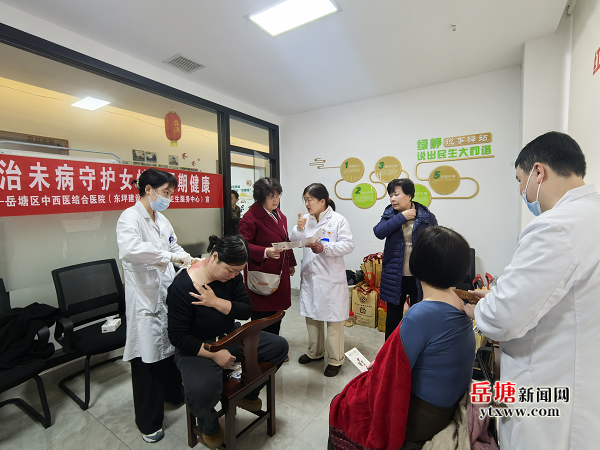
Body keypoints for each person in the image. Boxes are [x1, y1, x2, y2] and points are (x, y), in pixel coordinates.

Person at [463, 131, 600, 450]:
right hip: (581, 377)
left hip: (549, 385)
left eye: (519, 180)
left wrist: (480, 310)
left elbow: (502, 319)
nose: (521, 190)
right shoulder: (591, 215)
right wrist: (497, 297)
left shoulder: (555, 227)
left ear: (538, 172)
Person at [329, 226, 475, 449]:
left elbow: (390, 374)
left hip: (426, 415)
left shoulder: (421, 314)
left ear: (417, 264)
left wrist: (378, 368)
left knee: (343, 404)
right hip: (447, 404)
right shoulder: (460, 304)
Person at [167, 235, 288, 449]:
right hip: (197, 345)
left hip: (228, 335)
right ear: (215, 257)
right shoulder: (182, 286)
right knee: (201, 391)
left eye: (238, 271)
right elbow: (178, 337)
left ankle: (248, 395)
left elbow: (246, 310)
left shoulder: (231, 278)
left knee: (279, 347)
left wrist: (215, 302)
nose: (233, 276)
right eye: (230, 270)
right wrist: (214, 354)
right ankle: (209, 425)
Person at [116, 168, 195, 443]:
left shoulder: (161, 219)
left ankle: (173, 395)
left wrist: (188, 259)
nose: (168, 198)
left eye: (171, 193)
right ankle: (148, 422)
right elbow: (130, 250)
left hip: (165, 293)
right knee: (147, 359)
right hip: (144, 299)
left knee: (169, 350)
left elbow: (174, 246)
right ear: (148, 189)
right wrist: (168, 257)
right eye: (165, 192)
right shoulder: (130, 217)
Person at [291, 183, 354, 377]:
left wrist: (325, 248)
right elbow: (294, 240)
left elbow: (348, 245)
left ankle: (335, 359)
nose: (307, 204)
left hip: (330, 278)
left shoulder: (338, 220)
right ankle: (315, 352)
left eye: (310, 199)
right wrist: (299, 228)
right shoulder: (306, 219)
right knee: (312, 315)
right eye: (305, 200)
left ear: (323, 201)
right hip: (311, 276)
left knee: (333, 319)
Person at [373, 178, 437, 340]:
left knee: (418, 318)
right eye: (390, 195)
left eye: (396, 195)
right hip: (395, 275)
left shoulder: (426, 217)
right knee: (392, 320)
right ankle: (390, 351)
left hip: (418, 276)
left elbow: (435, 243)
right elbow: (379, 232)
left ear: (409, 195)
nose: (392, 199)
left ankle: (413, 350)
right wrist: (401, 217)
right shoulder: (390, 214)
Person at [238, 178, 297, 335]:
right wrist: (265, 251)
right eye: (271, 197)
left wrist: (291, 262)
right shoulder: (250, 218)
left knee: (276, 314)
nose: (276, 200)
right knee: (262, 317)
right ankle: (261, 348)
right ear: (261, 197)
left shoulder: (278, 214)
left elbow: (285, 239)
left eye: (277, 196)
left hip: (279, 270)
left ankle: (274, 346)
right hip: (262, 273)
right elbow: (243, 246)